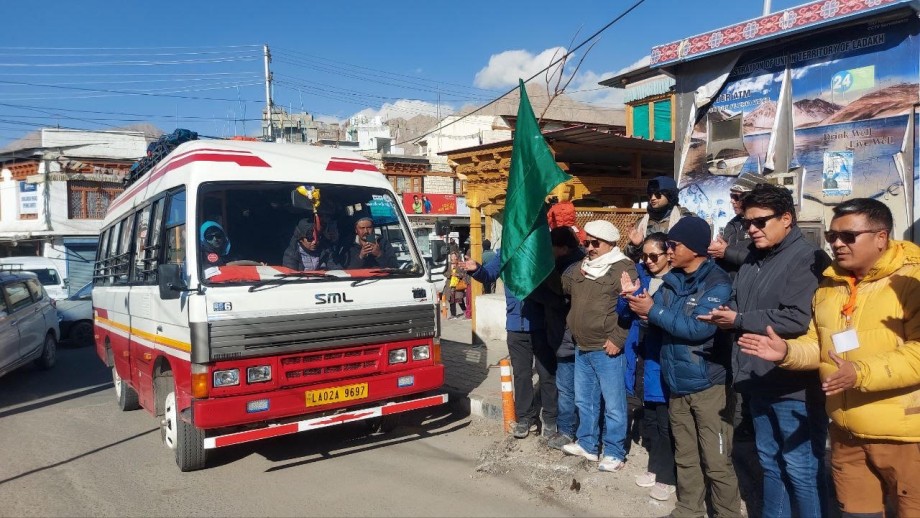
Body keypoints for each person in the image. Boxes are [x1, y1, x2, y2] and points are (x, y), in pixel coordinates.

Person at [739, 198, 920, 518]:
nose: (837, 243)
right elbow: (818, 344)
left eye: (848, 236)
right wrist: (787, 353)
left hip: (905, 437)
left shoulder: (912, 281)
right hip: (846, 433)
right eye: (832, 236)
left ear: (881, 237)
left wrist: (861, 372)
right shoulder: (830, 285)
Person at [700, 184, 831, 518]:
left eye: (759, 222)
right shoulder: (755, 257)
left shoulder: (807, 258)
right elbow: (740, 299)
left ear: (786, 218)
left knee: (801, 470)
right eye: (747, 223)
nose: (751, 230)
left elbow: (796, 317)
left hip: (793, 386)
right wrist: (725, 312)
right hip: (755, 376)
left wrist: (740, 319)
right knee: (771, 464)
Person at [626, 216, 741, 518]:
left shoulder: (717, 283)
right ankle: (688, 510)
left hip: (708, 385)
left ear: (693, 247)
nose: (669, 250)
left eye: (674, 245)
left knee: (716, 461)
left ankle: (727, 513)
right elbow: (659, 319)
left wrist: (654, 311)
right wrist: (640, 308)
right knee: (686, 456)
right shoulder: (672, 281)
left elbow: (697, 329)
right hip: (676, 383)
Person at [560, 220, 636, 473]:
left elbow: (630, 307)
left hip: (607, 347)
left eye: (595, 243)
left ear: (611, 243)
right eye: (586, 242)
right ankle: (588, 445)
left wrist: (618, 338)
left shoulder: (622, 268)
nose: (589, 248)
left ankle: (615, 451)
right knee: (585, 400)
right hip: (582, 344)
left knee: (614, 405)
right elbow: (564, 284)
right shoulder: (581, 267)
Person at [464, 250, 559, 439]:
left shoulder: (540, 247)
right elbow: (489, 274)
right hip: (516, 326)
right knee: (521, 375)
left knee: (546, 374)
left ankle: (550, 419)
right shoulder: (505, 253)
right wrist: (476, 269)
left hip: (542, 325)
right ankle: (526, 419)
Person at [619, 232, 676, 501]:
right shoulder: (642, 276)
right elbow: (624, 313)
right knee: (650, 418)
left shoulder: (675, 283)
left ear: (669, 255)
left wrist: (649, 313)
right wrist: (627, 296)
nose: (649, 261)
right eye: (645, 256)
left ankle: (668, 477)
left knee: (666, 422)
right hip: (642, 355)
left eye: (655, 256)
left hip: (662, 358)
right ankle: (655, 468)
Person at [544, 226, 585, 451]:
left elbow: (560, 296)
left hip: (571, 337)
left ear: (562, 248)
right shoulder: (567, 263)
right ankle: (573, 430)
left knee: (571, 389)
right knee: (570, 388)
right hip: (564, 336)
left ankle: (571, 431)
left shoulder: (573, 268)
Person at [707, 172, 770, 276]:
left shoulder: (764, 225)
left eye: (736, 197)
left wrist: (726, 252)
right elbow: (723, 255)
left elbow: (764, 261)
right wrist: (715, 251)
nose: (732, 201)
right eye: (731, 196)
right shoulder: (733, 224)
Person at [625, 175, 691, 261]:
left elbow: (695, 253)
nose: (652, 198)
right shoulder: (642, 223)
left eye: (658, 195)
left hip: (677, 272)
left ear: (670, 196)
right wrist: (636, 245)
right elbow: (628, 257)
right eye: (650, 194)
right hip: (647, 272)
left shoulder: (686, 220)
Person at [443, 252, 468, 320]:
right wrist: (450, 274)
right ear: (450, 257)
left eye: (454, 256)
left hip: (458, 284)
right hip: (450, 284)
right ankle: (453, 314)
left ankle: (466, 313)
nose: (453, 258)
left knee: (459, 299)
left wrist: (457, 274)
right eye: (452, 256)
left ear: (457, 257)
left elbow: (464, 273)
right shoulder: (448, 264)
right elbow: (444, 273)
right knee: (451, 300)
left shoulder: (460, 264)